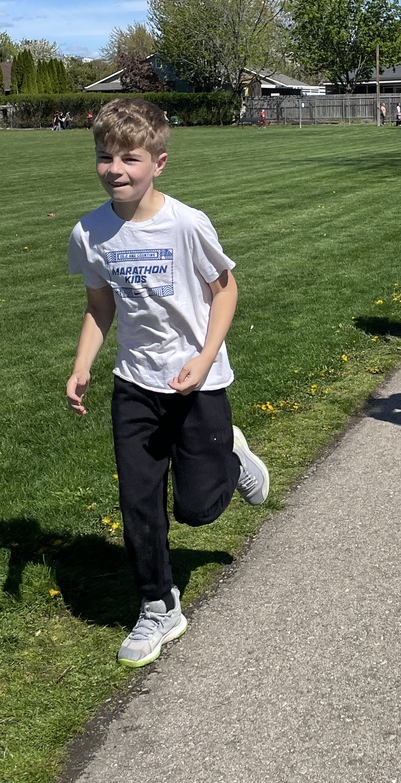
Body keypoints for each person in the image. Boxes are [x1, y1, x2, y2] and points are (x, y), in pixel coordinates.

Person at [65, 98, 270, 668]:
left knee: (199, 510)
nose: (116, 169)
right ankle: (159, 604)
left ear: (159, 162)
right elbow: (98, 305)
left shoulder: (186, 223)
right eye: (105, 157)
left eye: (129, 157)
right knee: (138, 500)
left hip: (196, 382)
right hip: (135, 383)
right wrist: (84, 365)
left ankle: (230, 453)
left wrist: (204, 359)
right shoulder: (90, 232)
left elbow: (224, 290)